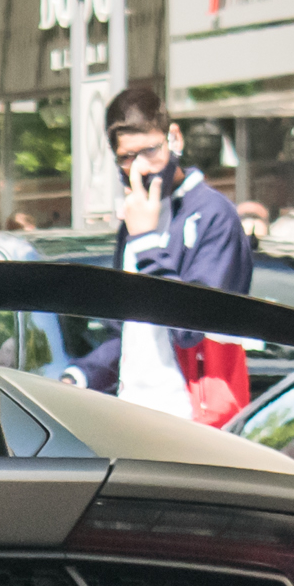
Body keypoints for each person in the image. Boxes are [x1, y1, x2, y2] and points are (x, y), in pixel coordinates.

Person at [61, 87, 254, 427]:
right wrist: (82, 375)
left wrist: (148, 241)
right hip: (131, 413)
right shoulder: (135, 217)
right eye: (126, 157)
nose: (140, 169)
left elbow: (191, 326)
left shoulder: (214, 215)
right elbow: (130, 329)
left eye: (150, 151)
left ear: (173, 138)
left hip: (193, 421)